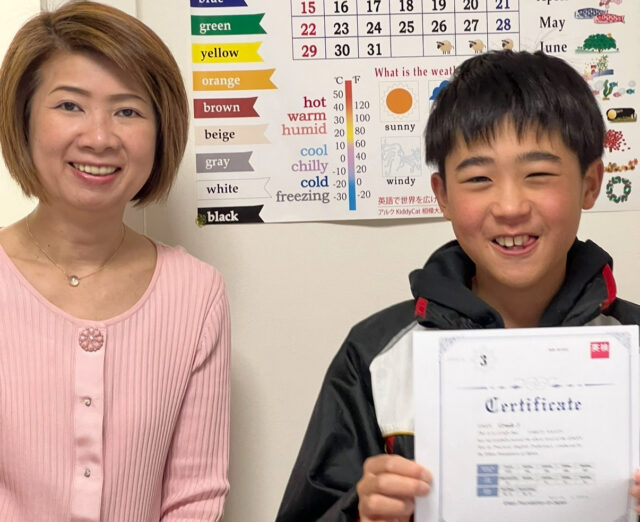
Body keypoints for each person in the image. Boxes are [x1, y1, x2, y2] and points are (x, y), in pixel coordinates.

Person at [276, 50, 640, 522]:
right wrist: (360, 514)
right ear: (443, 195)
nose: (510, 206)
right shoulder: (374, 356)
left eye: (538, 174)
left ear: (590, 184)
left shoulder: (632, 346)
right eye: (479, 178)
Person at [0, 2, 230, 521]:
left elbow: (196, 497)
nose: (100, 138)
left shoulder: (196, 292)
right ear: (23, 119)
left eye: (128, 111)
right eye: (70, 106)